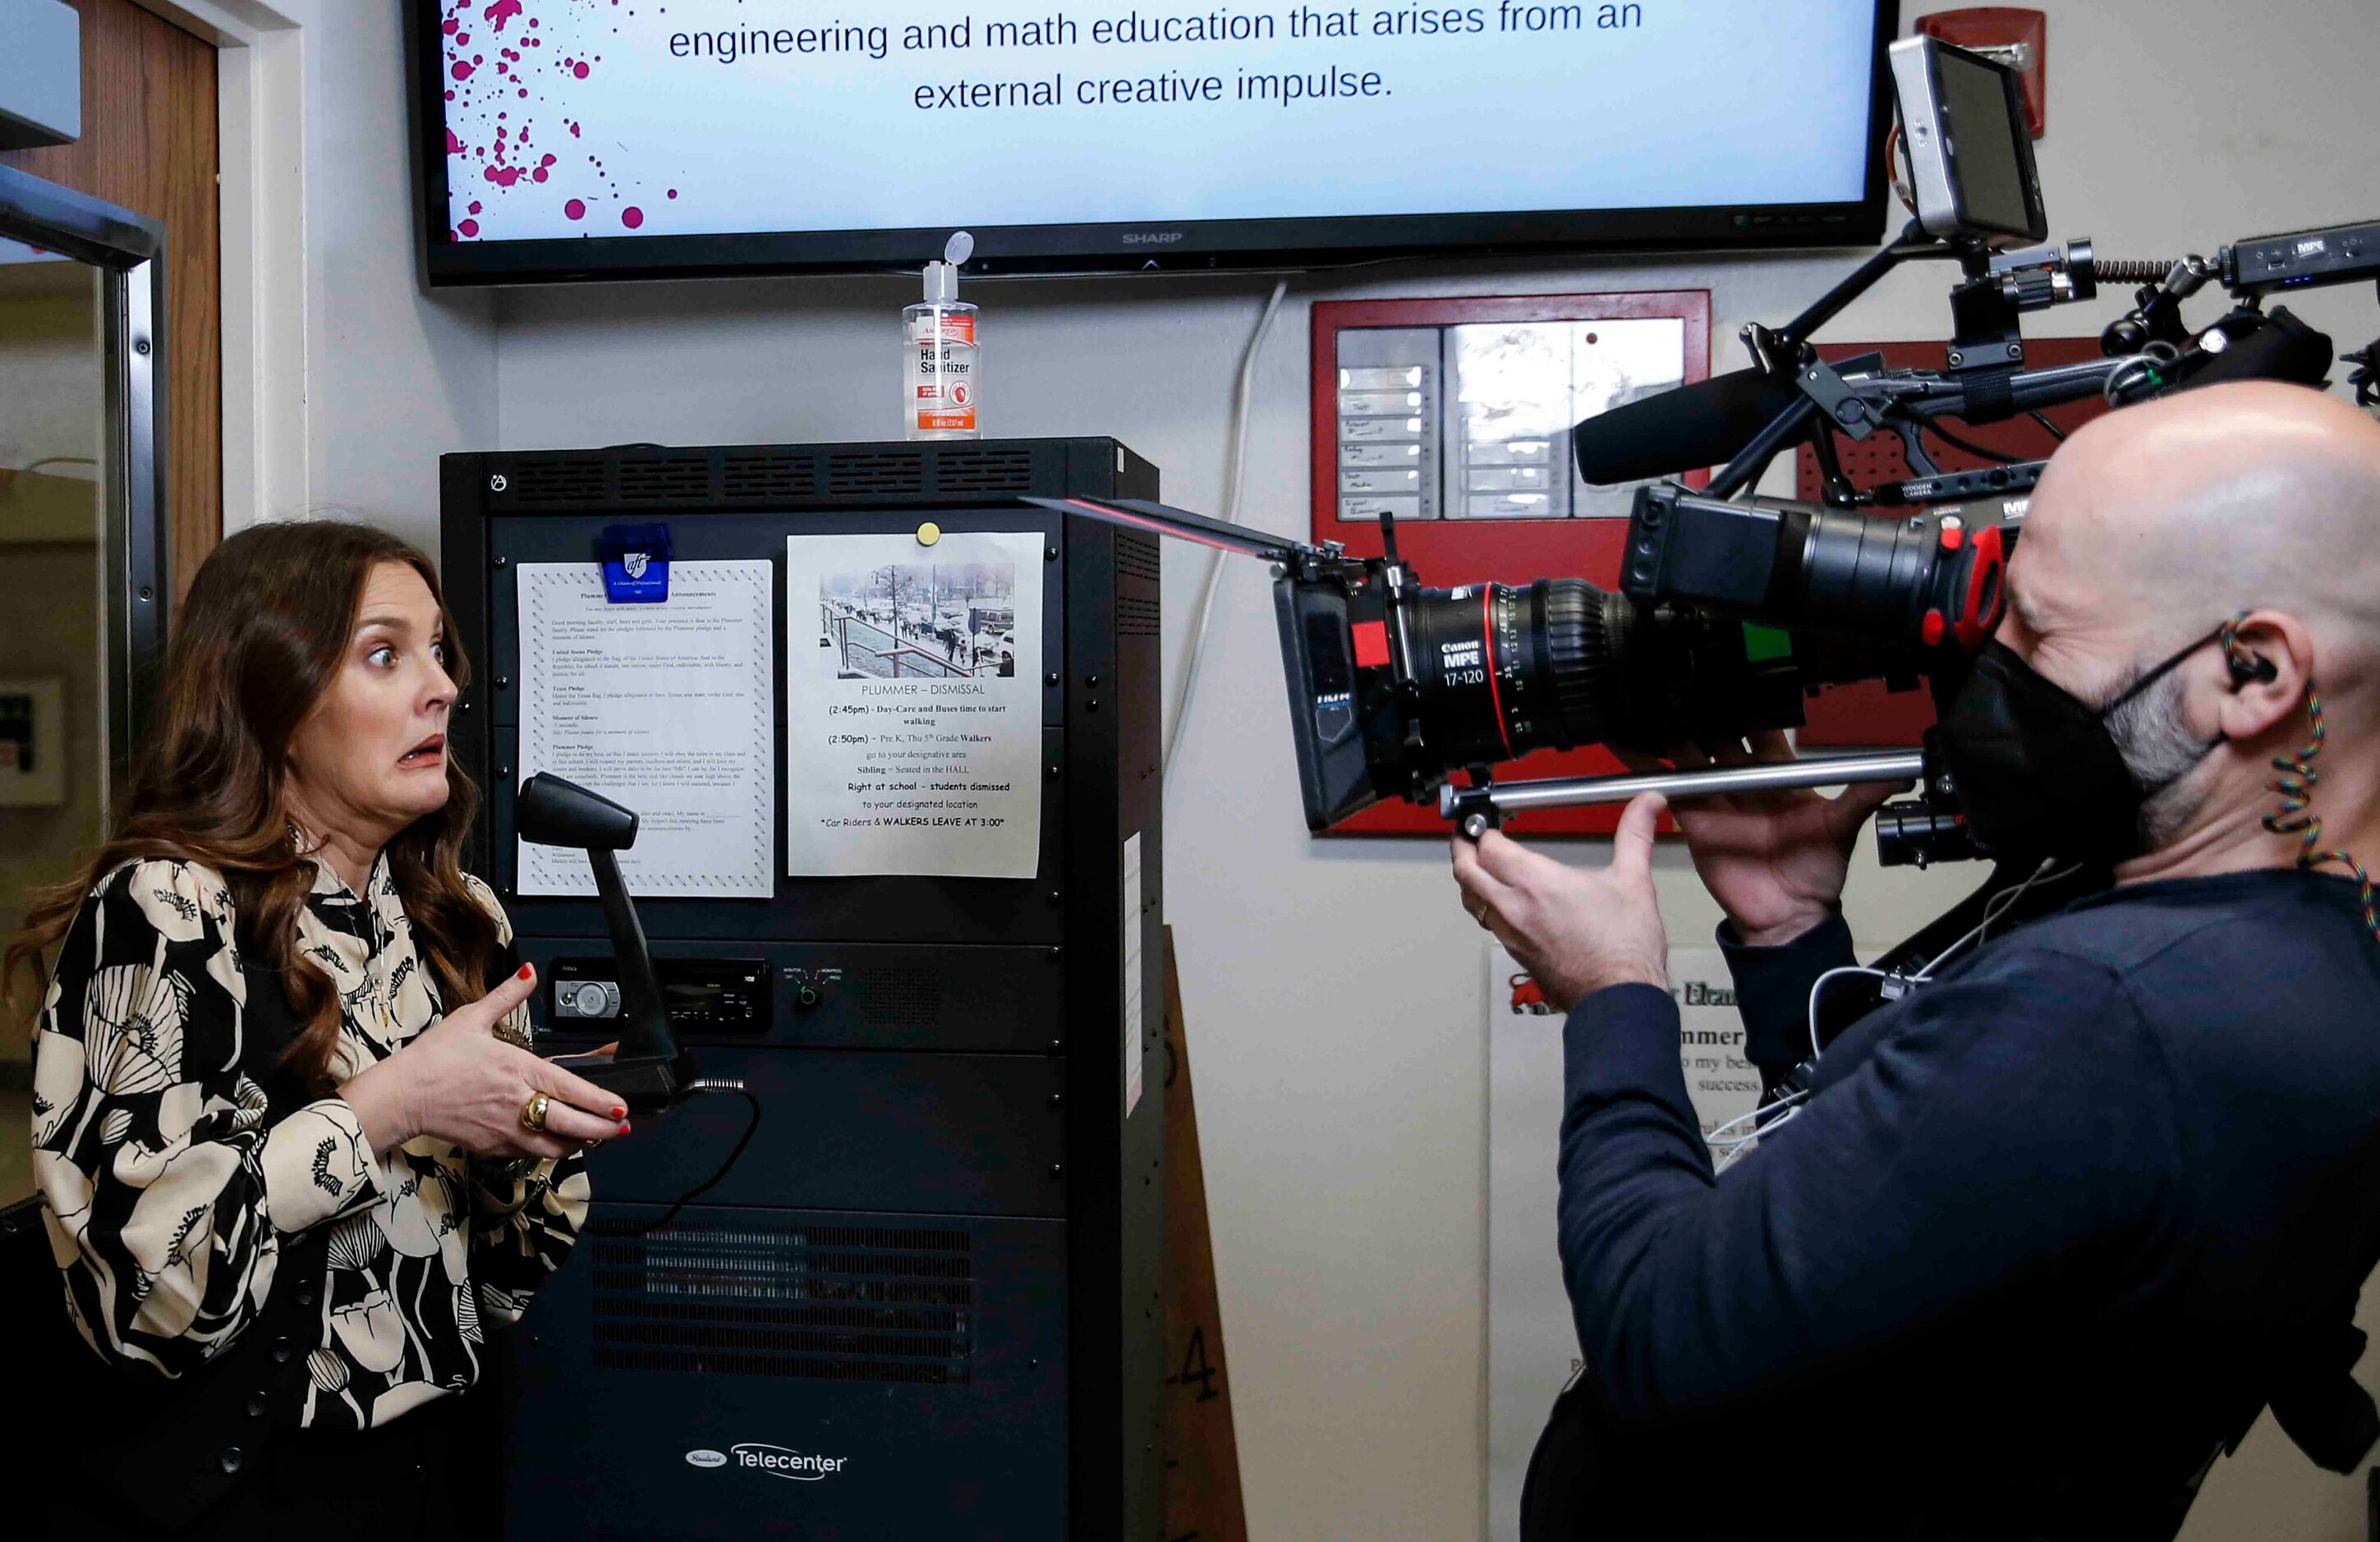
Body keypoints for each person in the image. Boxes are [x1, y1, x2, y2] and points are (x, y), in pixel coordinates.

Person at [1451, 383, 2380, 1540]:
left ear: (2252, 673)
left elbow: (1660, 1331)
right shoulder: (2305, 951)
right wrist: (1790, 937)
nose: (1994, 657)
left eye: (2037, 629)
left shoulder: (2101, 1014)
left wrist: (1615, 999)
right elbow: (1942, 1211)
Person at [6, 521, 627, 1542]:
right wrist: (394, 1108)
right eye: (386, 654)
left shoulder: (452, 910)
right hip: (246, 1489)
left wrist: (527, 1143)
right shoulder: (167, 907)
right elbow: (141, 1299)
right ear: (273, 699)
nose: (440, 687)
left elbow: (509, 1274)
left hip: (444, 1464)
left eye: (438, 652)